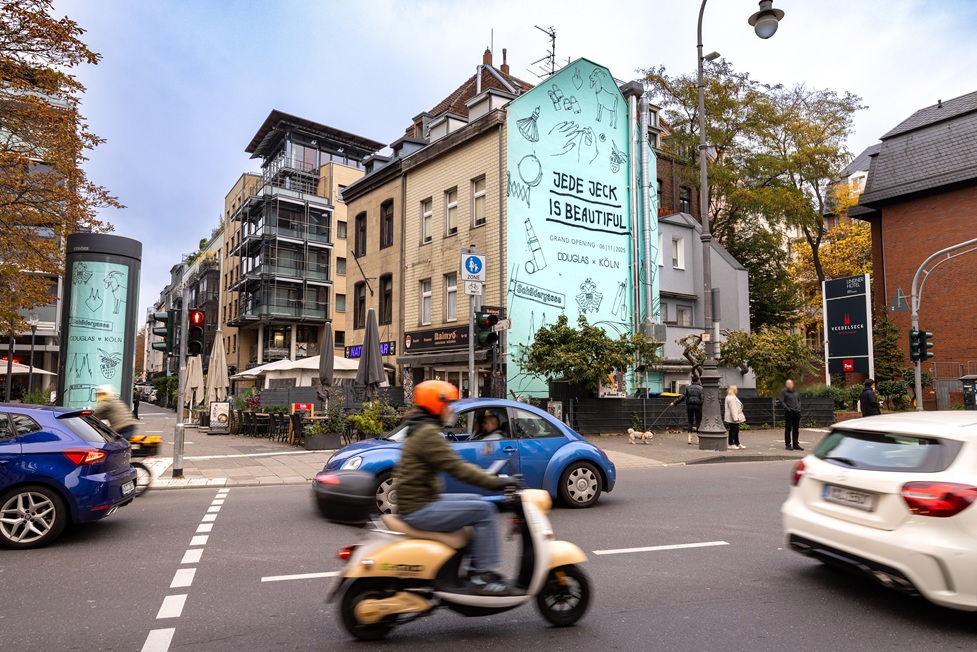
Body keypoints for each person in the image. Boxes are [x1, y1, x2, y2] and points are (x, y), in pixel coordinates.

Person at [395, 380, 516, 596]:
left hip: (423, 500)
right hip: (419, 507)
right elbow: (457, 468)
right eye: (448, 404)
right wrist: (496, 482)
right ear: (436, 404)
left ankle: (471, 569)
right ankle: (482, 575)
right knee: (484, 510)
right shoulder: (427, 434)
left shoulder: (421, 429)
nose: (450, 410)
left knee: (475, 501)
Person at [670, 375, 704, 444]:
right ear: (698, 380)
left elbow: (682, 397)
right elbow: (703, 398)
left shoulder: (688, 388)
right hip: (698, 406)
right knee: (698, 421)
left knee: (690, 421)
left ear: (692, 381)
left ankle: (689, 438)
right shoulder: (701, 388)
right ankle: (698, 438)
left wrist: (674, 403)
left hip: (689, 406)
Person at [780, 379, 803, 451]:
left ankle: (795, 444)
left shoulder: (795, 391)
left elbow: (799, 400)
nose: (790, 385)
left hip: (797, 411)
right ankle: (788, 444)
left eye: (791, 384)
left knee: (796, 429)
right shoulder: (783, 392)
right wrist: (787, 409)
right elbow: (781, 401)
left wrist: (799, 407)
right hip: (789, 412)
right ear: (786, 385)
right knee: (788, 428)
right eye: (788, 384)